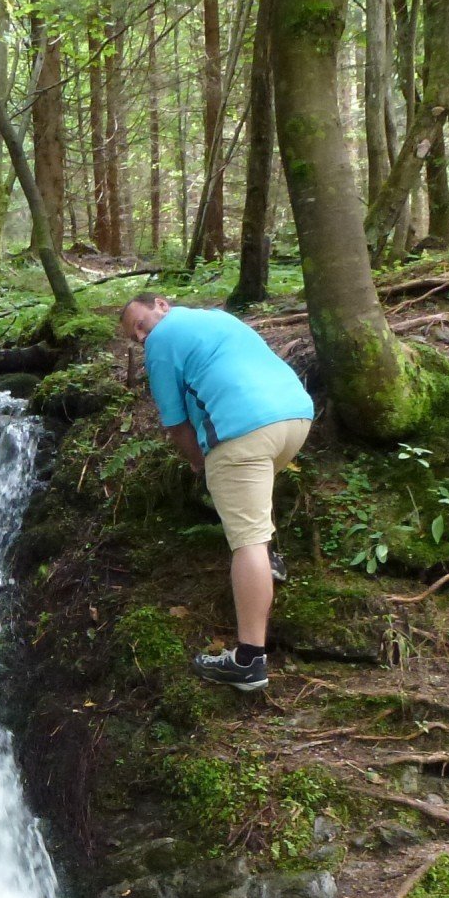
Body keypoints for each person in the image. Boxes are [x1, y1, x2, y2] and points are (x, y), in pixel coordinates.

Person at [119, 292, 313, 692]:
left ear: (161, 304)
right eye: (134, 336)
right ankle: (270, 559)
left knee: (246, 541)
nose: (141, 337)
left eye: (140, 323)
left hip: (241, 429)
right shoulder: (215, 319)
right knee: (253, 491)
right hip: (295, 417)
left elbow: (174, 423)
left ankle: (249, 660)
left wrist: (198, 461)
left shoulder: (160, 341)